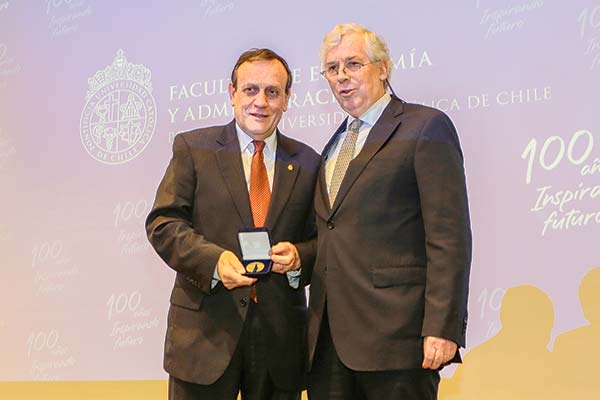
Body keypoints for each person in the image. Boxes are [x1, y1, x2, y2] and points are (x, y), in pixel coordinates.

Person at [304, 23, 472, 400]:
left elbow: (449, 236)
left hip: (398, 341)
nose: (342, 77)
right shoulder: (335, 143)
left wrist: (442, 327)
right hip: (329, 346)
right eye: (332, 69)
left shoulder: (425, 126)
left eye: (353, 64)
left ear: (383, 68)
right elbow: (334, 235)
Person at [146, 48, 320, 400]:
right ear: (232, 93)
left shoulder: (309, 162)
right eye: (251, 90)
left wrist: (301, 256)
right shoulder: (193, 149)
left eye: (273, 92)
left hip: (279, 342)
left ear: (287, 99)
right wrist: (213, 261)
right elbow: (163, 223)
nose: (261, 102)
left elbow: (324, 240)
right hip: (204, 336)